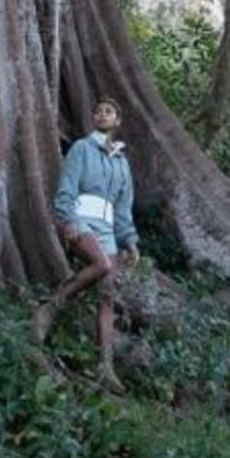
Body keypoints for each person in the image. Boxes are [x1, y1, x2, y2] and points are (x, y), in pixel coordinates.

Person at [33, 96, 138, 392]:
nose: (103, 114)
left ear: (117, 121)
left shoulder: (122, 163)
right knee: (101, 265)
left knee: (107, 295)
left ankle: (105, 367)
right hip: (81, 219)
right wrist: (68, 220)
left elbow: (123, 207)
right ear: (94, 119)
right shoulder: (82, 148)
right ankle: (50, 308)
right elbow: (67, 186)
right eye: (99, 111)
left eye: (109, 111)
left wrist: (129, 240)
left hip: (107, 230)